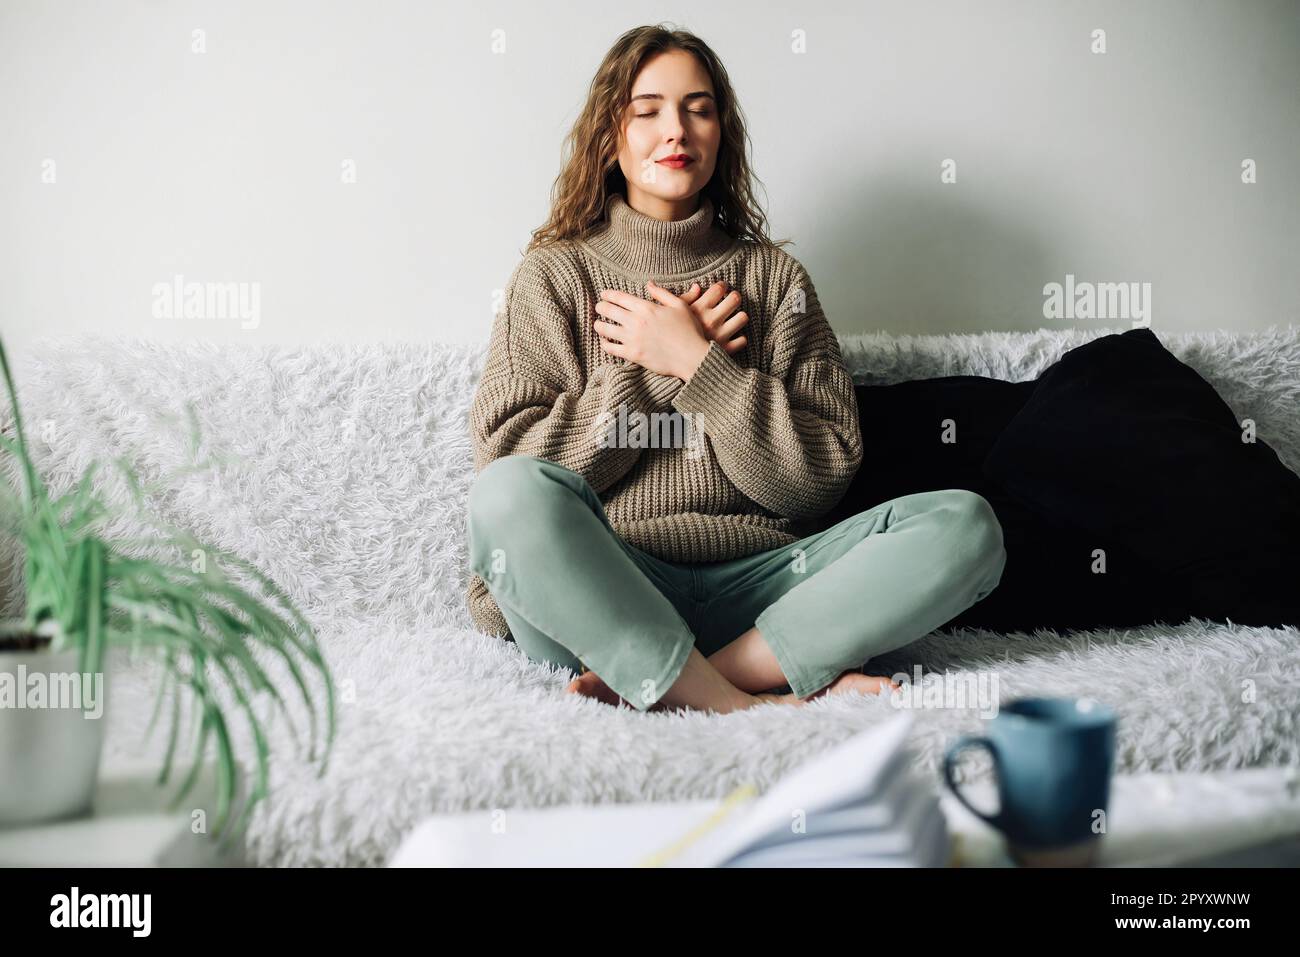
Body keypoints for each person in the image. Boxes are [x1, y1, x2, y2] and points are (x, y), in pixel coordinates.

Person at [465, 24, 1006, 714]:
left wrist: (701, 364)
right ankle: (742, 701)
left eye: (699, 108)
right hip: (609, 592)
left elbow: (813, 484)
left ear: (722, 133)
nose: (677, 129)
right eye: (648, 108)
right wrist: (651, 373)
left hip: (771, 594)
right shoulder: (554, 276)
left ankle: (702, 680)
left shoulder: (775, 280)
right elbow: (513, 462)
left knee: (967, 526)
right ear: (610, 135)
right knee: (503, 495)